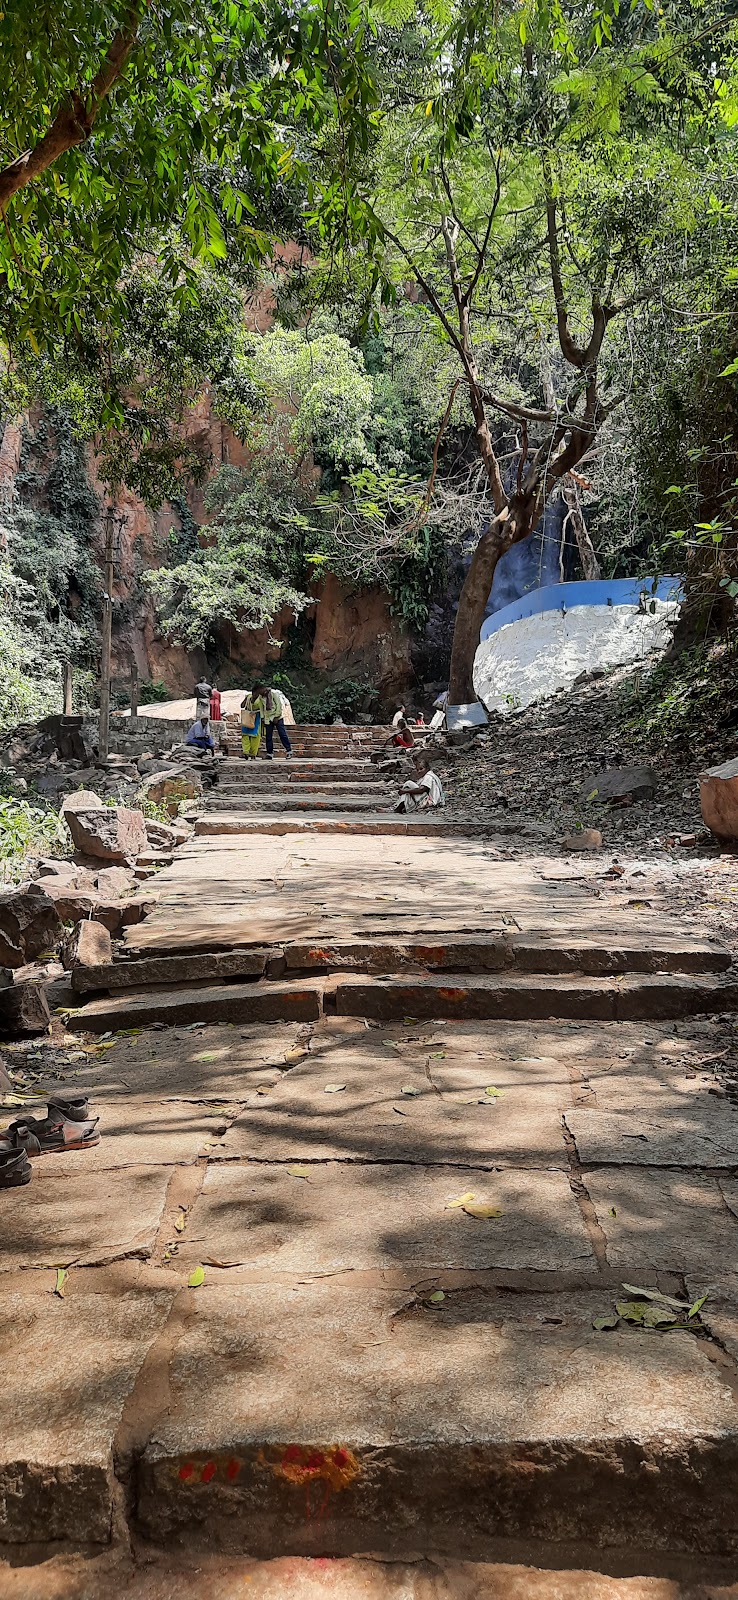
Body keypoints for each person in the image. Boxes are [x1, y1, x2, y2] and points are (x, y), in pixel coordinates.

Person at [254, 682, 292, 760]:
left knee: (282, 734)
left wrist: (276, 716)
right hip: (268, 718)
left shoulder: (273, 694)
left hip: (277, 717)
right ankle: (269, 753)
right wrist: (262, 718)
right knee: (268, 736)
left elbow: (279, 705)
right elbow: (262, 708)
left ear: (262, 688)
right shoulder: (261, 697)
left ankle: (289, 751)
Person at [240, 687, 262, 759]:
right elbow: (242, 706)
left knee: (255, 736)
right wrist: (245, 699)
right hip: (248, 717)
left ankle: (253, 754)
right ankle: (245, 752)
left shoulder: (261, 699)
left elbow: (264, 710)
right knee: (245, 735)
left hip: (256, 718)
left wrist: (255, 712)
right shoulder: (248, 697)